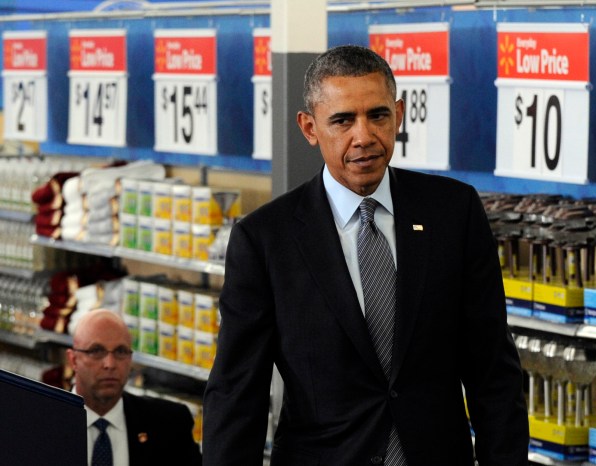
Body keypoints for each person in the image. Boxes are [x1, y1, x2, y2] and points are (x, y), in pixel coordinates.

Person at [203, 44, 528, 465]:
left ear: (399, 113)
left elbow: (493, 371)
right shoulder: (265, 240)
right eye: (342, 120)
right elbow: (236, 392)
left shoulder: (453, 213)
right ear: (309, 127)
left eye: (377, 115)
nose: (364, 136)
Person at [66, 309, 202, 466]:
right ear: (73, 360)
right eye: (97, 351)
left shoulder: (170, 424)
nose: (110, 364)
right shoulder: (44, 424)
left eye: (120, 351)